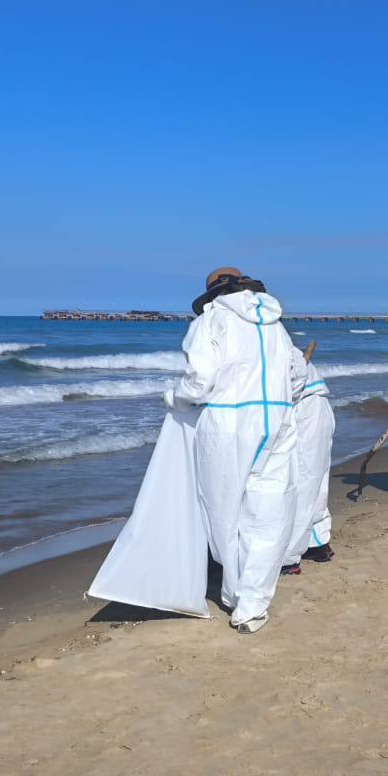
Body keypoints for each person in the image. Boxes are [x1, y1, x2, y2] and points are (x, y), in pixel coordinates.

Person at [163, 267, 303, 634]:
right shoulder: (276, 324)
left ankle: (234, 592)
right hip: (278, 420)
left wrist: (174, 398)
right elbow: (297, 375)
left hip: (228, 422)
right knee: (268, 513)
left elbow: (199, 382)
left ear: (212, 294)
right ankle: (252, 605)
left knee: (223, 513)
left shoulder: (210, 322)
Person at [282, 353, 336, 574]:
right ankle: (317, 544)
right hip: (315, 406)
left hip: (305, 409)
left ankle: (289, 557)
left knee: (303, 481)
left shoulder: (269, 343)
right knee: (315, 480)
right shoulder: (276, 340)